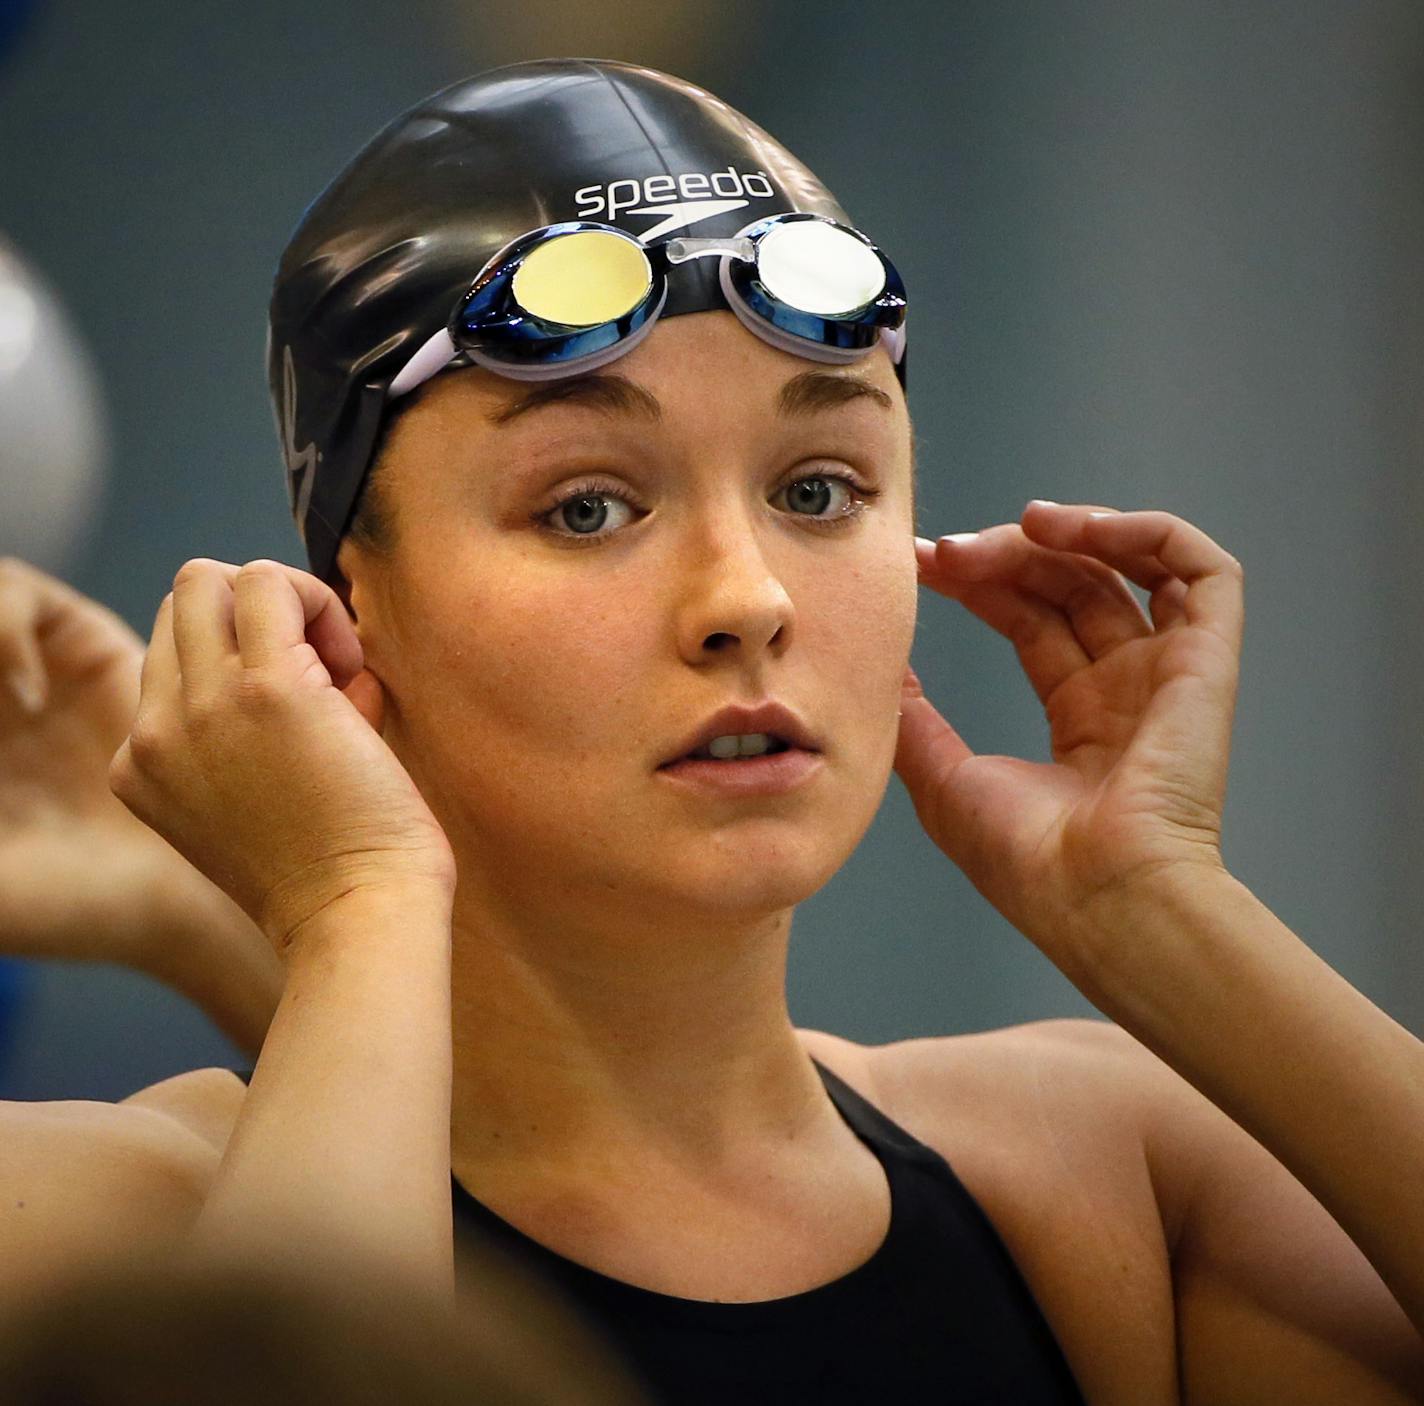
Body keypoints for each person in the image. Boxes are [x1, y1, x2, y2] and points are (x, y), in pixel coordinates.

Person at [2, 57, 1423, 1404]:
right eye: (587, 506)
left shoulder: (1105, 1177)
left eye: (818, 488)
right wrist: (353, 903)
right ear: (349, 603)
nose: (746, 599)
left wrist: (1163, 912)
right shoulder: (88, 1235)